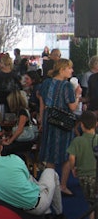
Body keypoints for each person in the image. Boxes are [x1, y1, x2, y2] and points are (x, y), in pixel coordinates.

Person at [0, 135, 65, 219]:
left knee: (29, 181)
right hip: (36, 203)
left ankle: (48, 214)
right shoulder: (14, 159)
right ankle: (59, 214)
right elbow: (27, 178)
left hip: (21, 206)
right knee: (51, 172)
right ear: (1, 148)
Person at [38, 58, 82, 196]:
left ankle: (49, 186)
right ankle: (62, 185)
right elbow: (73, 107)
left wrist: (41, 119)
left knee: (50, 155)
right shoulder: (67, 86)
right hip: (63, 123)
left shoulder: (45, 83)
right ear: (62, 69)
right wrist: (78, 94)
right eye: (69, 68)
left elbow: (41, 101)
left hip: (48, 120)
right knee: (67, 154)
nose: (72, 70)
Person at [66, 110, 98, 219]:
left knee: (91, 205)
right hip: (96, 175)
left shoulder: (77, 141)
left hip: (84, 177)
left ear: (81, 125)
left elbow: (71, 158)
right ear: (96, 124)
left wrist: (73, 168)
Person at [2, 90, 36, 156]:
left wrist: (9, 141)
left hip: (25, 142)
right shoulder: (21, 111)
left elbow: (20, 130)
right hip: (24, 141)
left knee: (4, 149)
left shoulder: (22, 112)